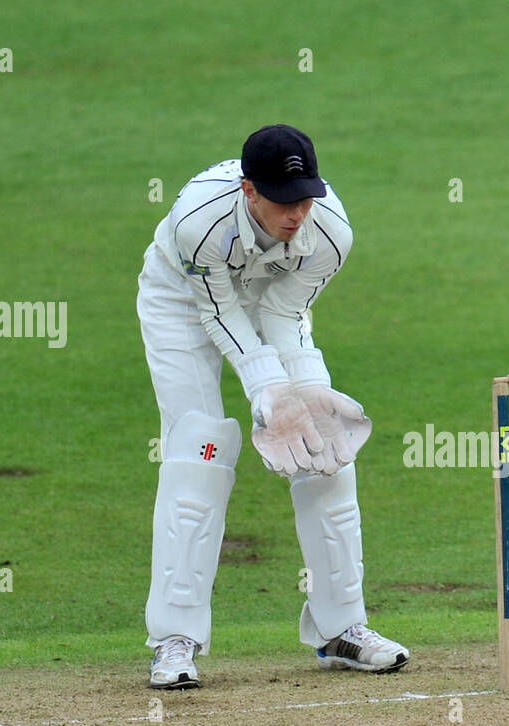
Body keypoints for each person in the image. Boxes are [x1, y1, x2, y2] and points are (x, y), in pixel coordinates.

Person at [136, 123, 409, 689]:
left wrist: (303, 393)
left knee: (324, 445)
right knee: (200, 445)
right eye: (284, 202)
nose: (296, 214)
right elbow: (219, 315)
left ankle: (343, 629)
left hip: (272, 303)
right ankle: (174, 639)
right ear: (249, 191)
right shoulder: (198, 221)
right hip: (183, 301)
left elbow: (285, 316)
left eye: (305, 199)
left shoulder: (330, 230)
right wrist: (267, 392)